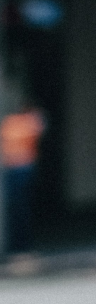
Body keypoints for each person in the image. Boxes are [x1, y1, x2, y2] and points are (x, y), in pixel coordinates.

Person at [2, 99, 47, 254]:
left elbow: (40, 128)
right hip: (16, 168)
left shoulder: (25, 122)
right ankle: (19, 245)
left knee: (22, 207)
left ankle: (23, 245)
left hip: (23, 168)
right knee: (17, 208)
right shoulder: (13, 123)